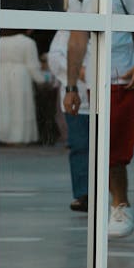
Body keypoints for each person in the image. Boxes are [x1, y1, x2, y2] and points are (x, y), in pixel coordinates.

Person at [64, 0, 134, 239]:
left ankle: (121, 205)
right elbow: (77, 39)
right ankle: (117, 204)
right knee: (103, 146)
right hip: (96, 80)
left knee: (115, 146)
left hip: (122, 76)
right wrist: (71, 87)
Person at [48, 29, 90, 212]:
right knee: (80, 145)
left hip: (107, 93)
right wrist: (77, 71)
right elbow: (55, 59)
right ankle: (83, 194)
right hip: (78, 97)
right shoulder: (66, 30)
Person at [0, 29, 46, 144]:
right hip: (20, 76)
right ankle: (18, 137)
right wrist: (41, 81)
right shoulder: (27, 42)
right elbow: (32, 65)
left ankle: (1, 136)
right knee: (20, 105)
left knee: (2, 107)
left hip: (0, 75)